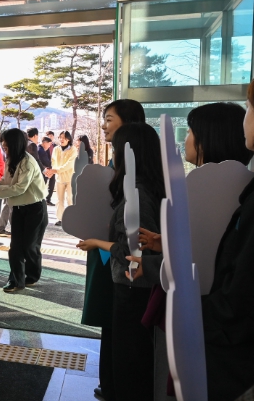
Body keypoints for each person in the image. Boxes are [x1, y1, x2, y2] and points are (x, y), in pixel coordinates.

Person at [129, 101, 254, 401]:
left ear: (208, 140)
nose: (185, 139)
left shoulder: (200, 190)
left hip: (199, 315)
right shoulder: (248, 187)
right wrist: (167, 241)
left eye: (190, 132)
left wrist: (159, 257)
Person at [76, 122, 165, 401]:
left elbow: (132, 251)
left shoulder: (136, 194)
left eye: (115, 149)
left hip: (132, 288)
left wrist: (97, 242)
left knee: (129, 366)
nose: (112, 156)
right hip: (139, 288)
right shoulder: (150, 188)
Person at [197, 75, 254, 401]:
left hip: (238, 354)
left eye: (250, 107)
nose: (245, 118)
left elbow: (244, 285)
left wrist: (196, 314)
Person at [83, 99, 146, 401]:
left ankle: (113, 385)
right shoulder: (116, 163)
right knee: (110, 324)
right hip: (107, 254)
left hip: (120, 259)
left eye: (109, 119)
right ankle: (108, 382)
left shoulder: (134, 173)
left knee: (120, 326)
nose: (104, 125)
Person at [0, 128, 48, 292]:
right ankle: (16, 280)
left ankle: (32, 276)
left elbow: (20, 188)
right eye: (3, 146)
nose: (4, 148)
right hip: (18, 208)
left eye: (6, 146)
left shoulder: (28, 162)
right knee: (16, 246)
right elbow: (5, 181)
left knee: (30, 246)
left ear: (15, 144)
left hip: (35, 208)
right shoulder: (11, 159)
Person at [44, 130, 76, 226]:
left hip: (70, 178)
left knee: (70, 199)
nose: (61, 139)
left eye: (64, 138)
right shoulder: (56, 149)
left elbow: (70, 164)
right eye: (60, 137)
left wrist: (56, 170)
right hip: (59, 178)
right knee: (59, 200)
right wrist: (53, 171)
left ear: (68, 139)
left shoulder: (73, 149)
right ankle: (60, 219)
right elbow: (53, 162)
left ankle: (72, 219)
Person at [38, 137, 54, 206]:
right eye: (49, 144)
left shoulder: (38, 149)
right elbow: (47, 163)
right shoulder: (41, 151)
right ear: (44, 142)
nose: (49, 146)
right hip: (42, 173)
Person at [44, 131, 56, 204]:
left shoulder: (55, 146)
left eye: (51, 136)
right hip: (46, 167)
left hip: (53, 167)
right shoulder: (43, 145)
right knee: (43, 182)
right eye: (49, 136)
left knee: (52, 184)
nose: (50, 137)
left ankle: (48, 199)